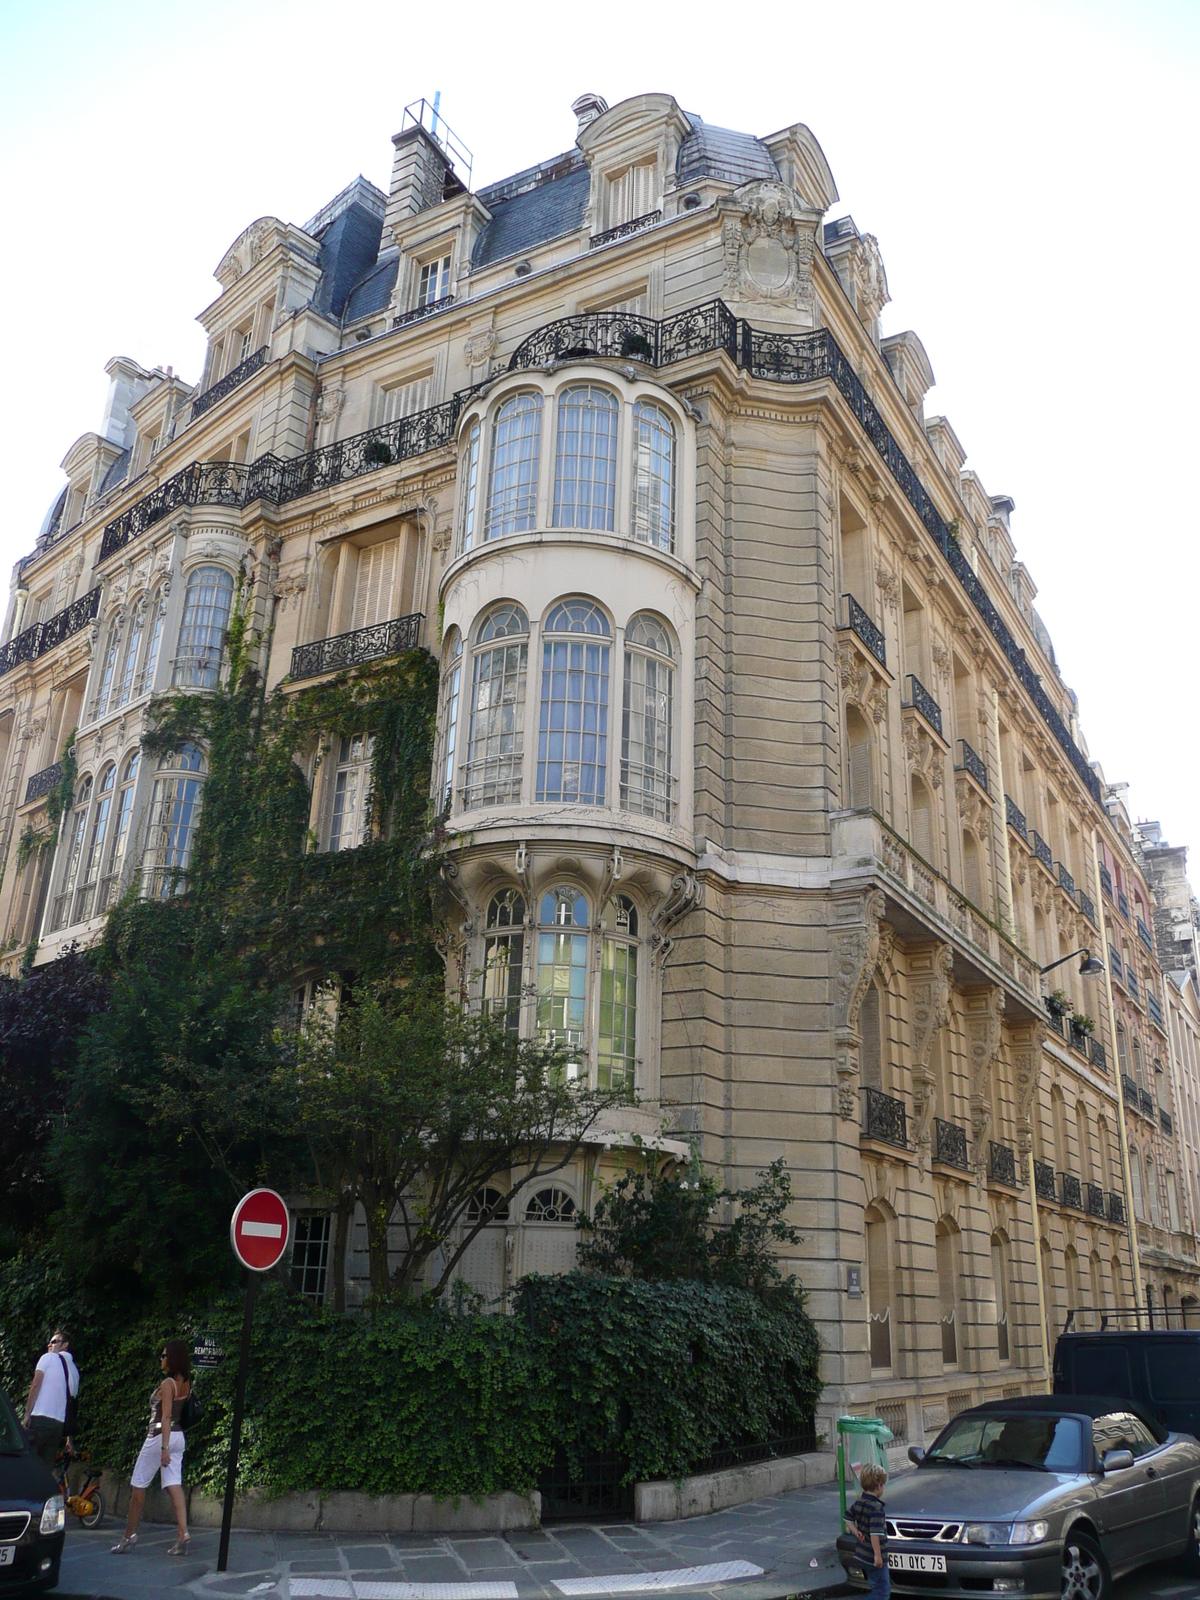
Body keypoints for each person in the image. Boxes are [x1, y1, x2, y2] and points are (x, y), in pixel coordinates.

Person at [111, 1339, 192, 1557]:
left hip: (159, 1438)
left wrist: (164, 1447)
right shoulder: (185, 1383)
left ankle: (129, 1536)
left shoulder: (168, 1384)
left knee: (139, 1485)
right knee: (174, 1484)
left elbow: (165, 1415)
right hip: (179, 1437)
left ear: (172, 1359)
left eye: (164, 1355)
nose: (161, 1359)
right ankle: (182, 1534)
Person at [22, 1328, 79, 1472]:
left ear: (65, 1345)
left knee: (26, 1463)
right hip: (58, 1426)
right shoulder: (74, 1371)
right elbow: (71, 1406)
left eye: (54, 1342)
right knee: (44, 1471)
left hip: (40, 1419)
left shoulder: (48, 1358)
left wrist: (27, 1415)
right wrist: (69, 1439)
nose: (49, 1345)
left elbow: (35, 1385)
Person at [847, 1462, 890, 1598]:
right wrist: (878, 1556)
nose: (883, 1488)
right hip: (874, 1556)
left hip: (862, 1554)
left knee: (874, 1585)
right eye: (882, 1485)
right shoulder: (876, 1508)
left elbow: (847, 1518)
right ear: (878, 1486)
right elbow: (875, 1534)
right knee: (882, 1591)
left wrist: (856, 1531)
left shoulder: (859, 1502)